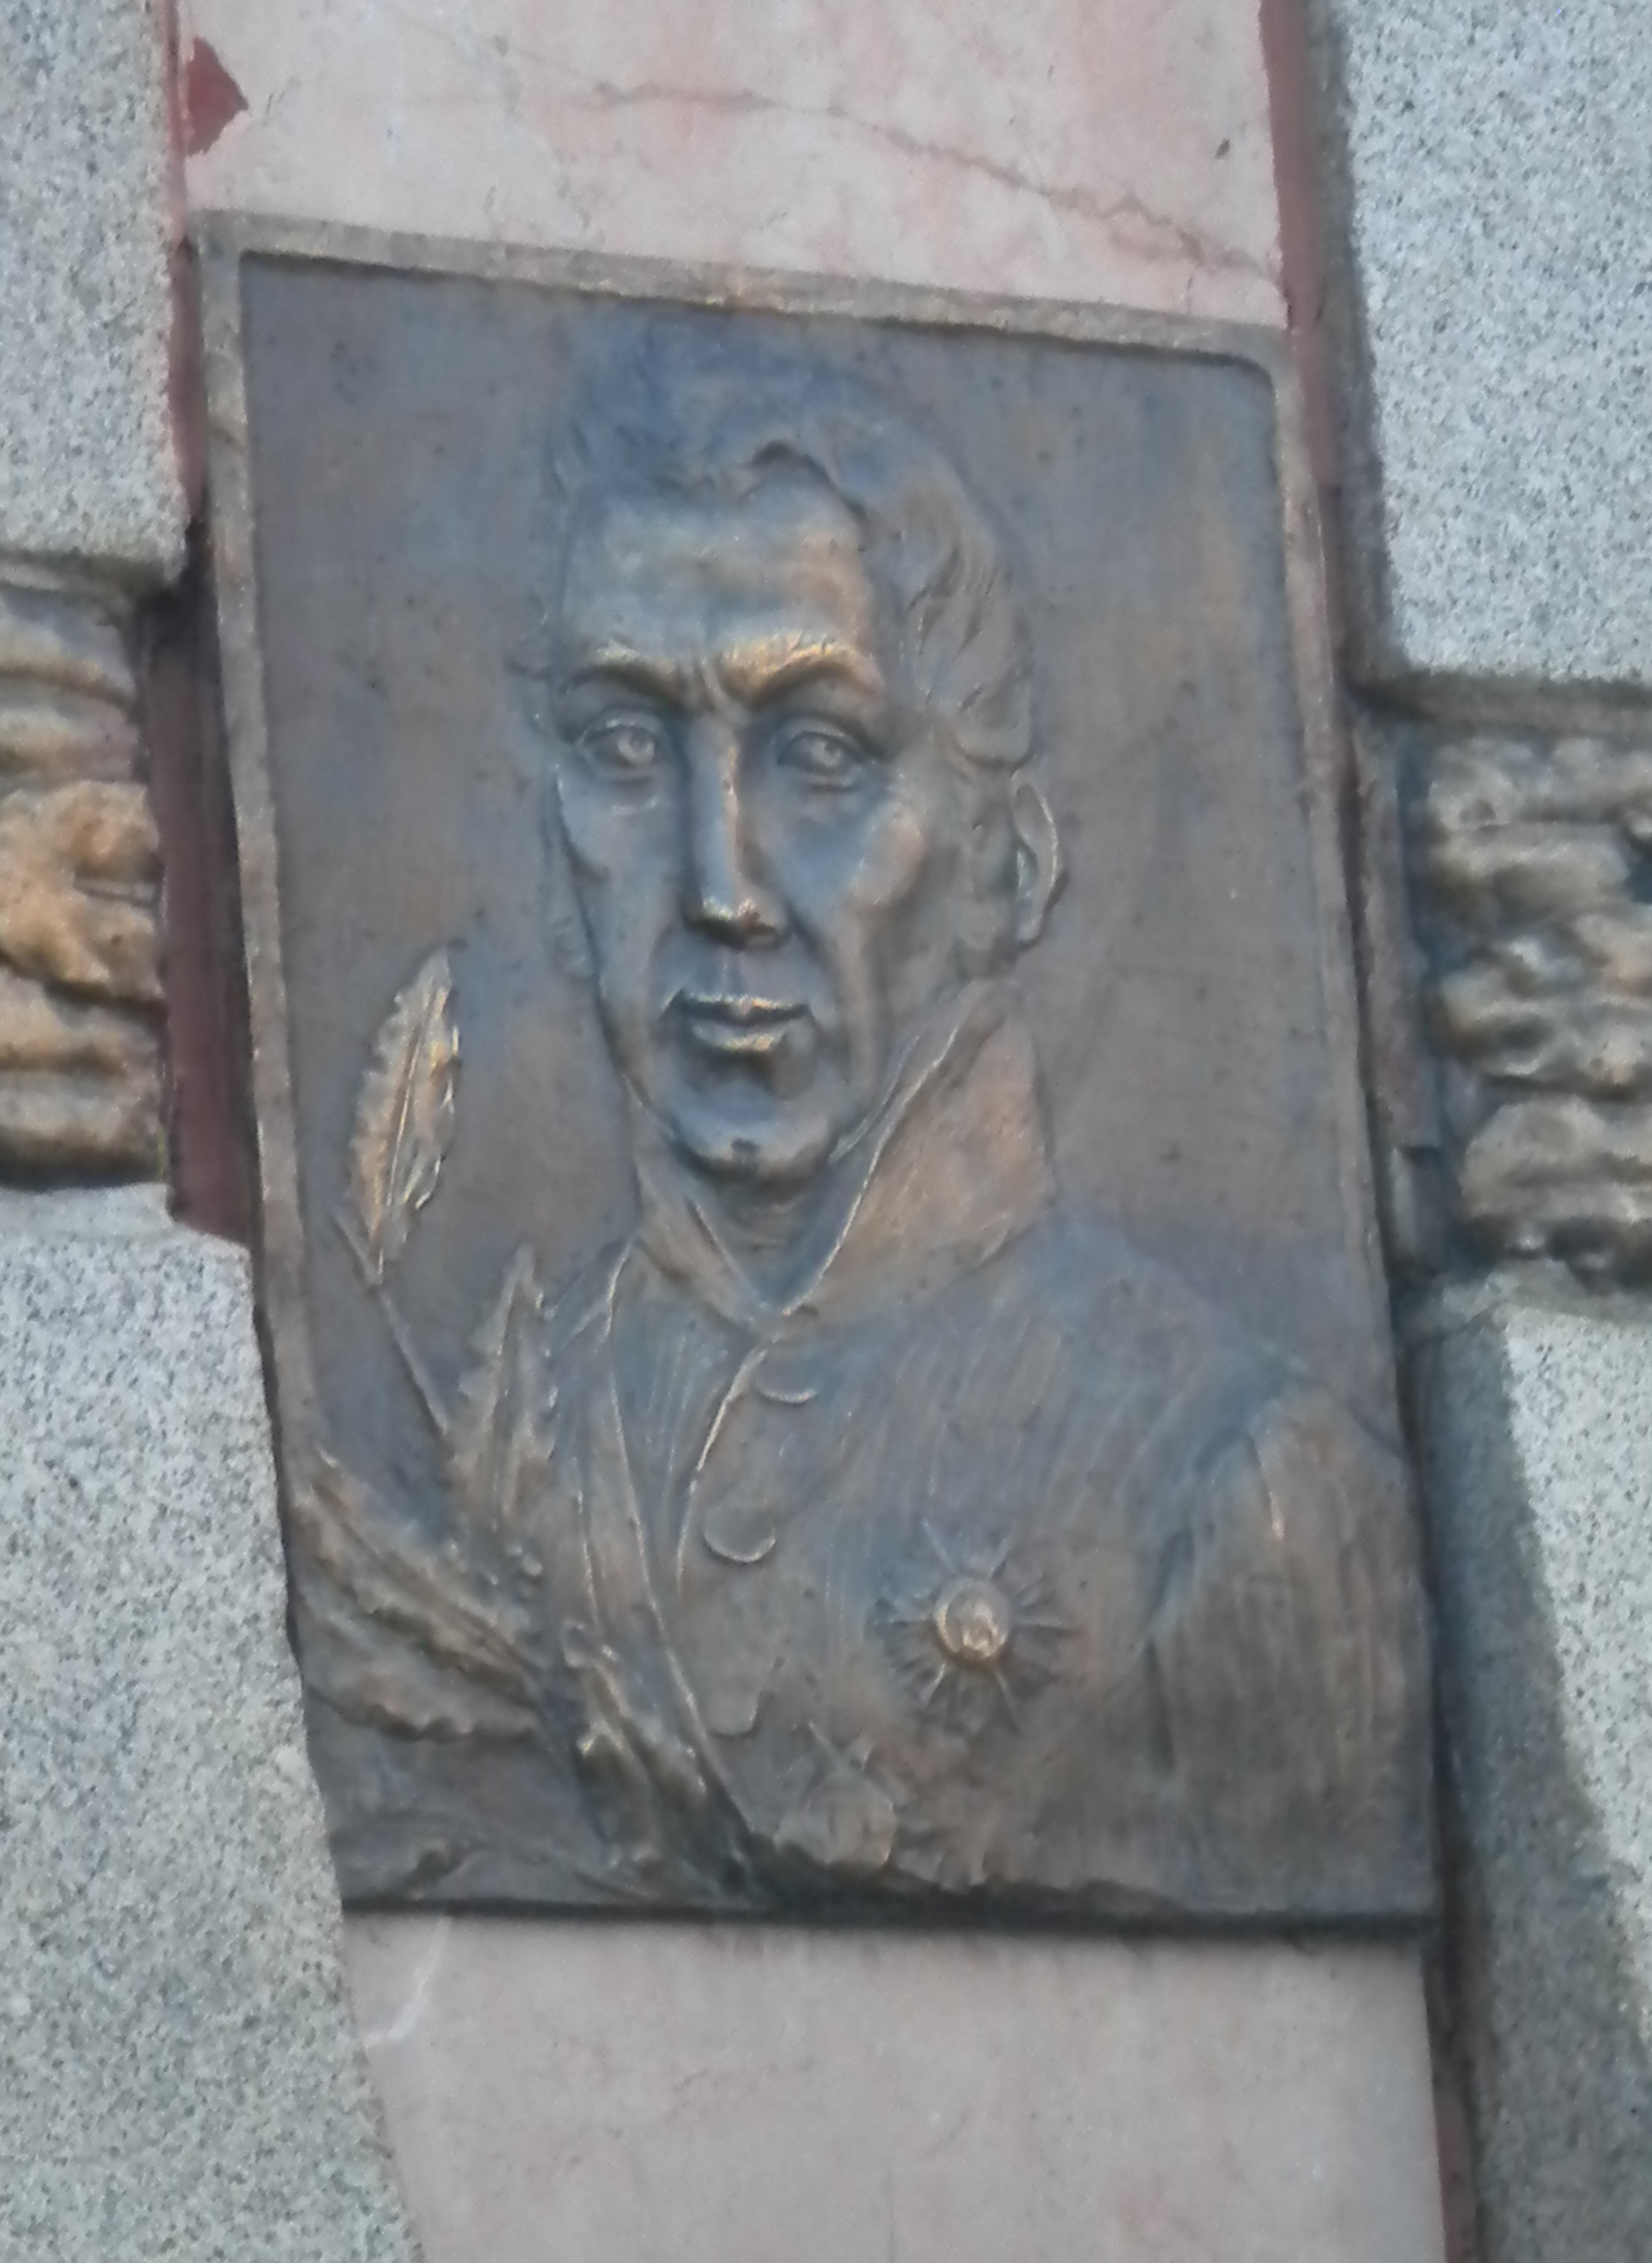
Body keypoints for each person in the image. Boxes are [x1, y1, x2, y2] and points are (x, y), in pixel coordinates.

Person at [490, 340, 1430, 1918]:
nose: (719, 885)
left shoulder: (1236, 1491)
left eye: (822, 756)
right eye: (629, 749)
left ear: (1011, 860)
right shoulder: (509, 1418)